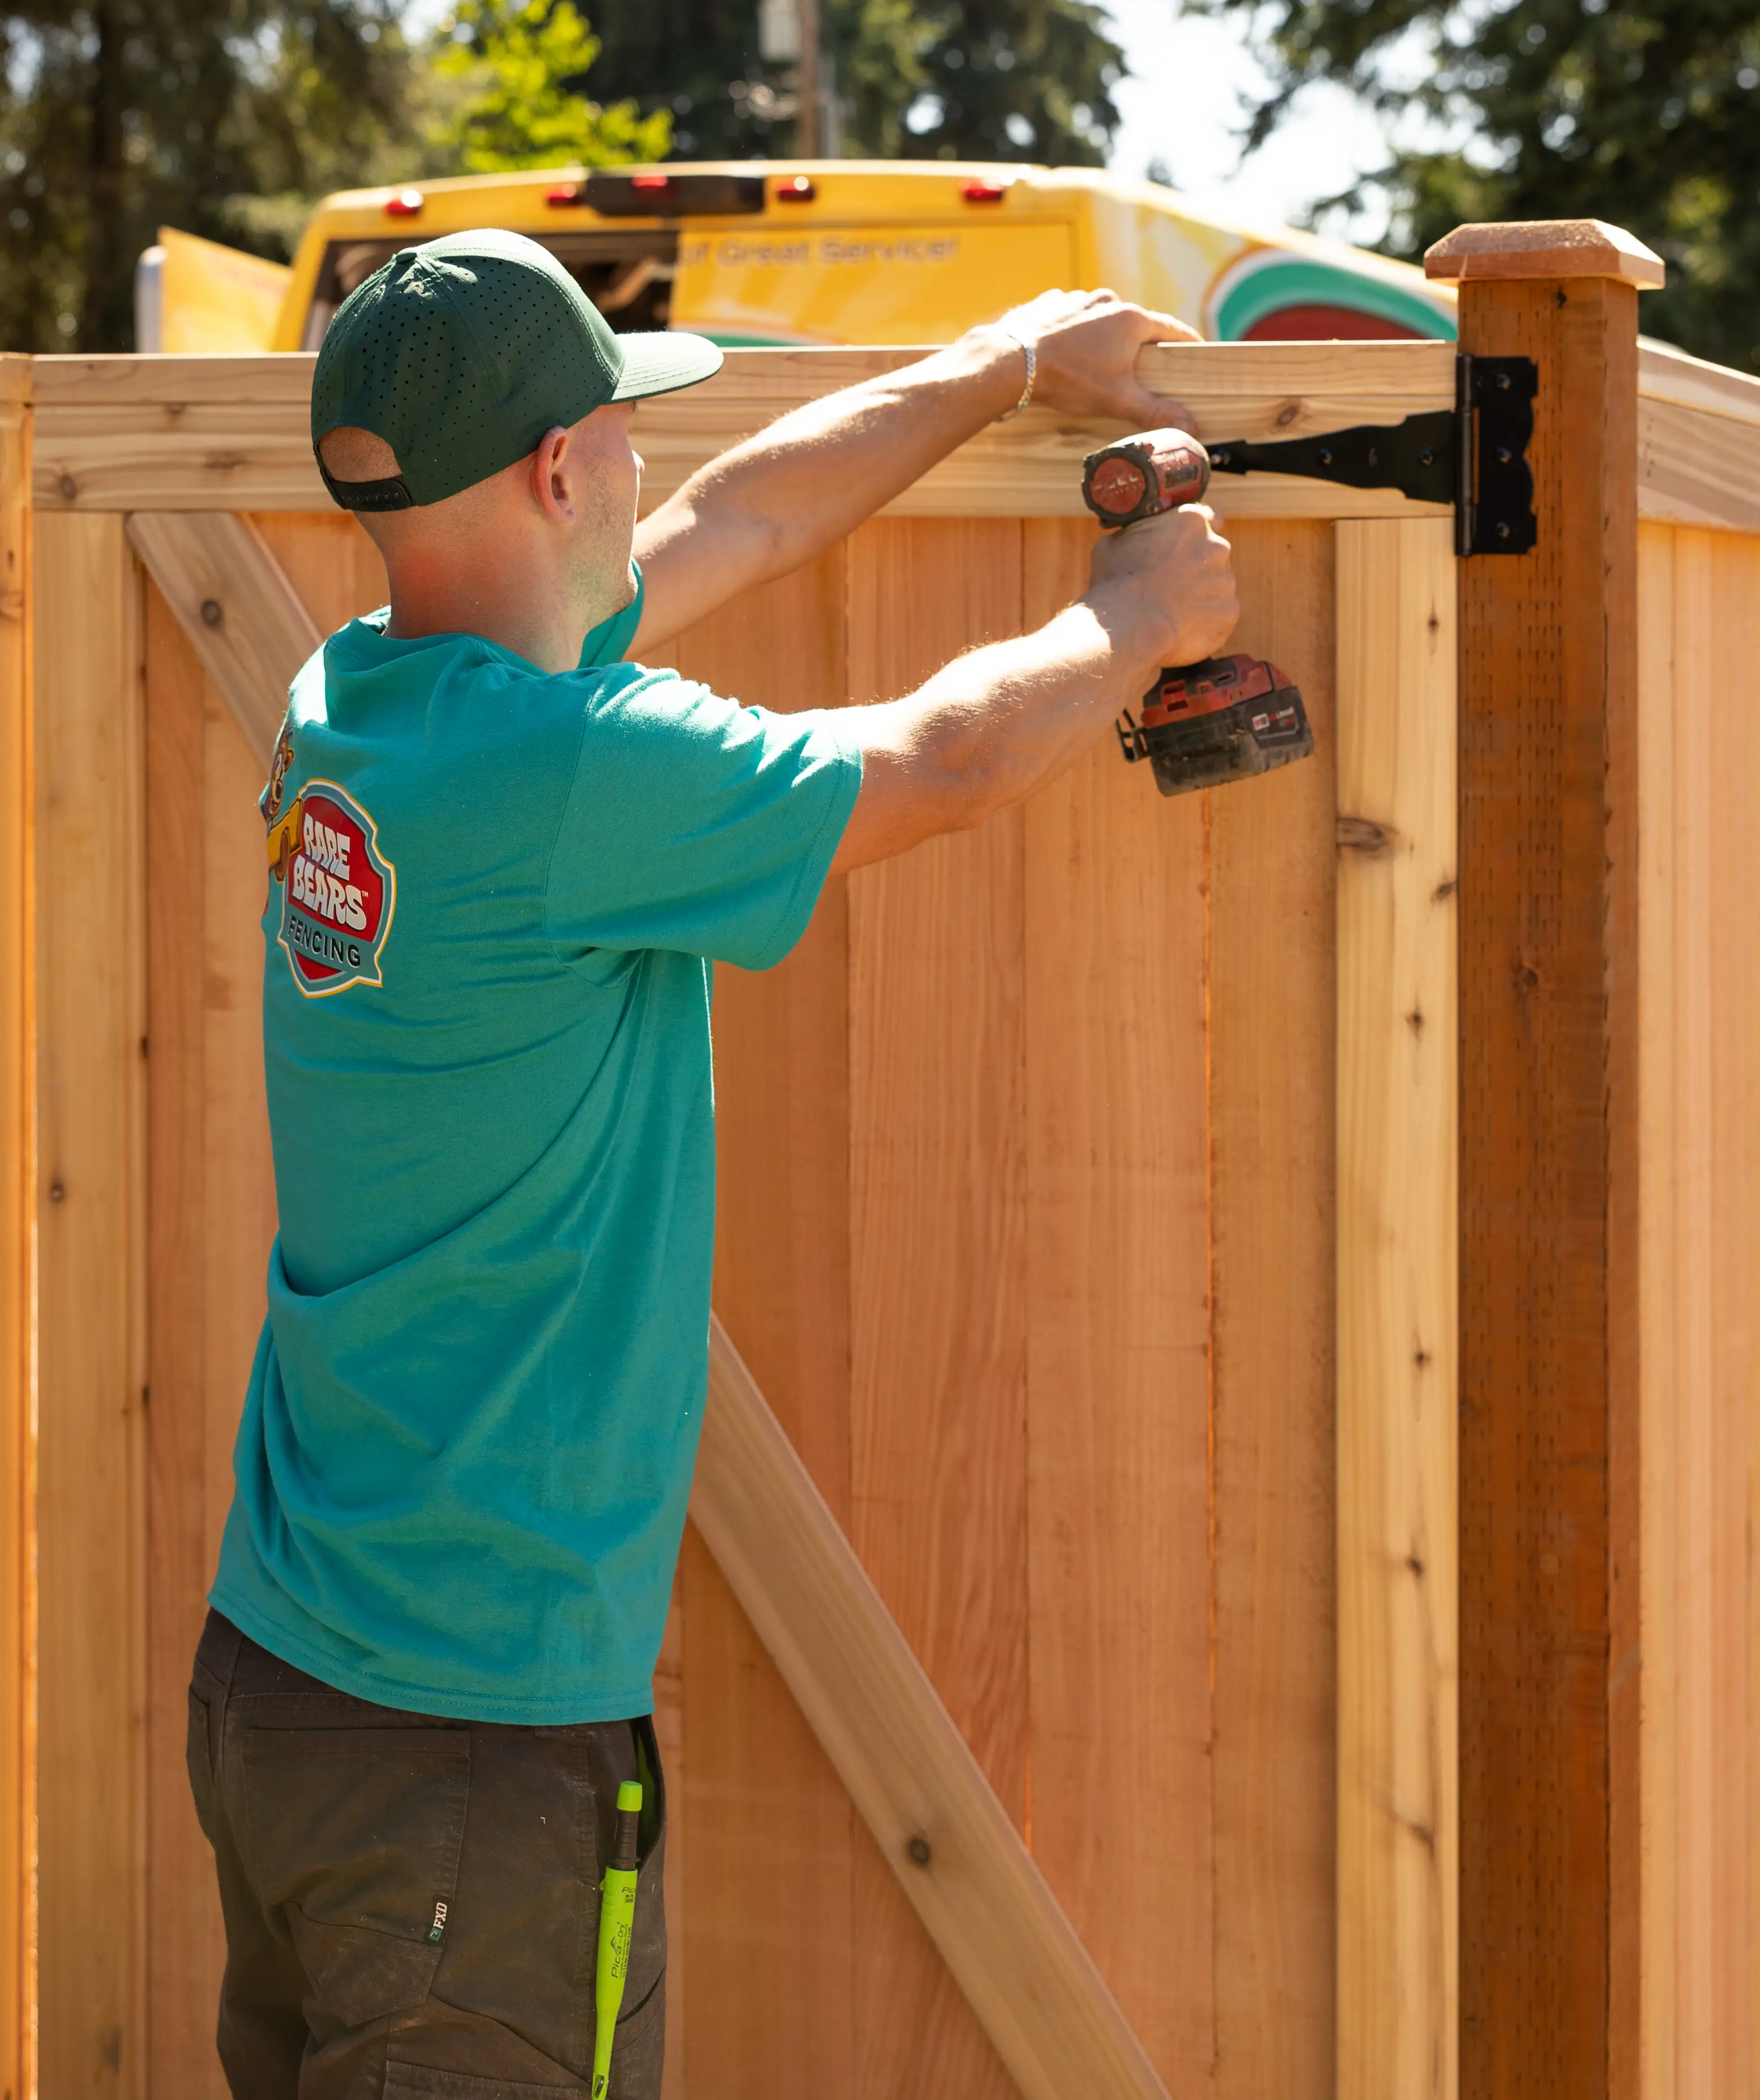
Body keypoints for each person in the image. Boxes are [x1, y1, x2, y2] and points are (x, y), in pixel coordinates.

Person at [186, 227, 1239, 2099]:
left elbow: (744, 521)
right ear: (558, 472)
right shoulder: (571, 770)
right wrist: (1140, 614)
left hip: (286, 1687)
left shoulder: (361, 697)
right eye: (619, 426)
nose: (650, 460)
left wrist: (1004, 353)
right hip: (470, 1757)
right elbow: (941, 758)